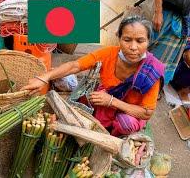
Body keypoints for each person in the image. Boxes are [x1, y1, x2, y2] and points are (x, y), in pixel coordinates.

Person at [21, 15, 165, 137]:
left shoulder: (151, 71)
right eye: (127, 40)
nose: (133, 47)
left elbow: (146, 113)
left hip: (129, 112)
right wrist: (44, 78)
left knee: (125, 123)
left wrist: (112, 101)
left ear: (148, 42)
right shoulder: (109, 54)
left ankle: (115, 138)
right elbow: (75, 66)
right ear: (119, 38)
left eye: (140, 41)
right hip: (105, 100)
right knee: (82, 99)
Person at [149, 0, 190, 84]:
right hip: (166, 16)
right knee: (144, 57)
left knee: (160, 67)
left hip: (181, 25)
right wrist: (158, 12)